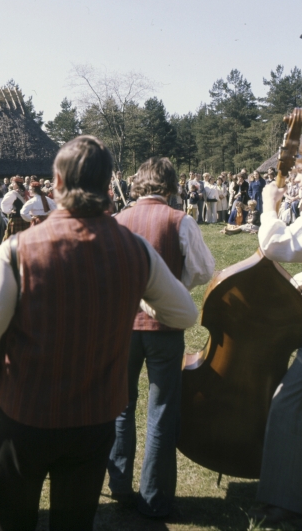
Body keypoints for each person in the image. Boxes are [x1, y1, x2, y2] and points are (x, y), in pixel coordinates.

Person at [0, 136, 198, 531]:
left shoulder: (19, 249)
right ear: (109, 184)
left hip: (27, 420)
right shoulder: (136, 250)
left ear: (56, 182)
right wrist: (132, 295)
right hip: (94, 422)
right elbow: (184, 313)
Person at [107, 157, 215, 518]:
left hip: (122, 326)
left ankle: (119, 486)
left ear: (139, 183)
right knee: (162, 410)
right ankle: (154, 497)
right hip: (165, 327)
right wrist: (174, 287)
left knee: (120, 406)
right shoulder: (179, 219)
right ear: (170, 185)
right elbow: (203, 269)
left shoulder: (118, 221)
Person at [249, 136, 302, 529]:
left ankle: (286, 503)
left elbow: (277, 244)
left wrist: (269, 206)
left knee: (289, 405)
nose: (301, 175)